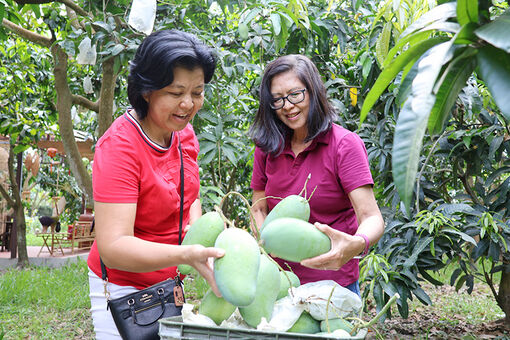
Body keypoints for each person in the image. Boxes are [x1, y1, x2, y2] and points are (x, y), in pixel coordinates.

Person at [87, 29, 225, 339]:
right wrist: (184, 254)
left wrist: (197, 231)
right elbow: (114, 247)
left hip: (169, 284)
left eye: (197, 92)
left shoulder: (183, 135)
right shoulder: (120, 147)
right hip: (124, 290)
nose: (188, 104)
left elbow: (190, 197)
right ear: (147, 90)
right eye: (176, 93)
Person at [250, 54, 384, 296]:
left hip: (332, 286)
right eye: (277, 100)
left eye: (295, 94)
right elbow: (259, 208)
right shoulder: (267, 147)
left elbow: (371, 216)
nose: (287, 106)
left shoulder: (344, 145)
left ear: (313, 91)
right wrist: (265, 242)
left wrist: (356, 243)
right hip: (278, 283)